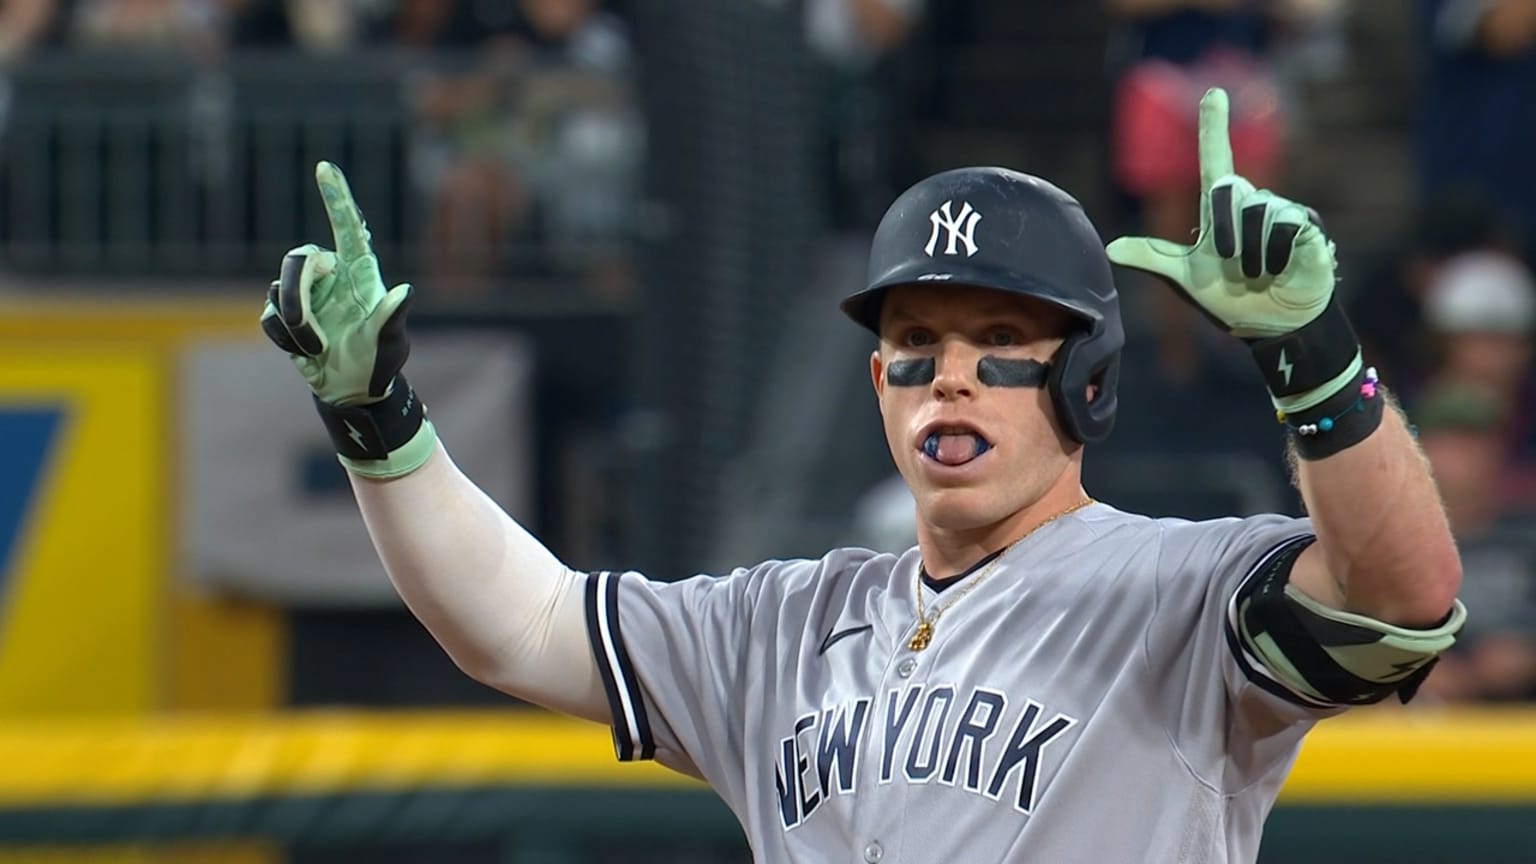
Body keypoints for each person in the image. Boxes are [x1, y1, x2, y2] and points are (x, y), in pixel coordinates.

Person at [261, 88, 1465, 861]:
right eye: (915, 349)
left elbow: (1402, 596)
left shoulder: (1182, 591)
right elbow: (516, 624)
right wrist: (378, 416)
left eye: (1000, 347)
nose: (949, 380)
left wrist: (1314, 360)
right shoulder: (781, 621)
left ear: (1087, 385)